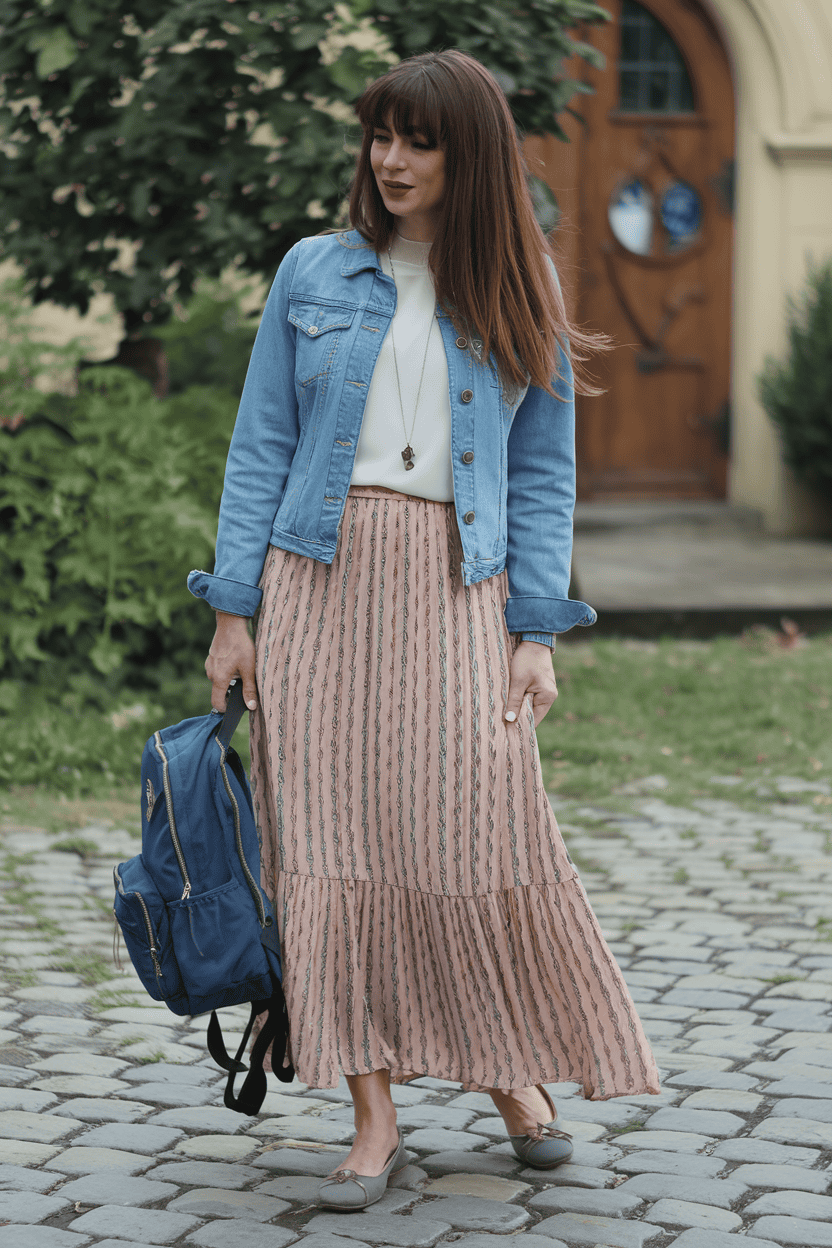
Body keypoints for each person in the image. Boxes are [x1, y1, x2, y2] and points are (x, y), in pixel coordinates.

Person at [189, 48, 659, 1212]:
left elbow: (544, 478)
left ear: (471, 155)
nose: (390, 161)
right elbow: (258, 450)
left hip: (458, 589)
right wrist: (233, 619)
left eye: (418, 141)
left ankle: (510, 1078)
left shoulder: (519, 288)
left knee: (474, 831)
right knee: (327, 849)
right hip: (318, 581)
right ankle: (371, 1114)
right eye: (380, 137)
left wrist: (534, 632)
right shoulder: (314, 271)